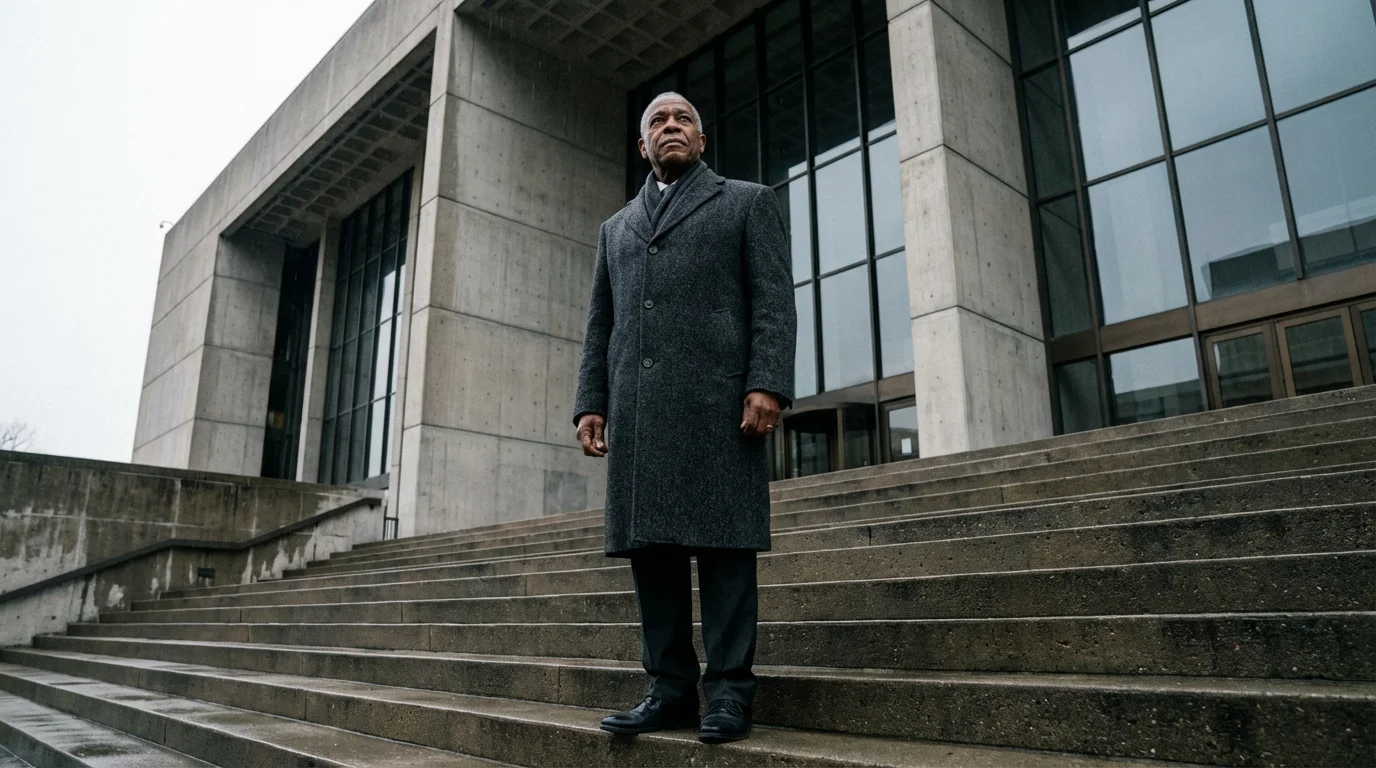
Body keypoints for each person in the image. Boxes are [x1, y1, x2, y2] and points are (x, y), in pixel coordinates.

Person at [571, 91, 796, 744]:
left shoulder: (747, 203)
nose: (671, 127)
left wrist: (767, 383)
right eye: (658, 122)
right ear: (642, 147)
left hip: (723, 408)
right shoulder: (616, 229)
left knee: (726, 554)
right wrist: (592, 400)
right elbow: (600, 324)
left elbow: (774, 301)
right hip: (641, 417)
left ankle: (729, 694)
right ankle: (669, 689)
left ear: (701, 141)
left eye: (684, 120)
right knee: (654, 557)